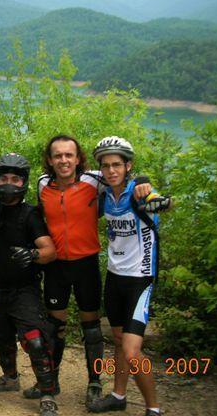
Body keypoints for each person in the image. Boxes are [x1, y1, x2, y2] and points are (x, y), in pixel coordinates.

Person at [35, 135, 152, 405]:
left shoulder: (94, 178)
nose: (63, 160)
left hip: (86, 264)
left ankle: (95, 382)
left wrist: (143, 180)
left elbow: (121, 176)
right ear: (50, 160)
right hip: (56, 266)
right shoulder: (43, 184)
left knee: (91, 327)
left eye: (69, 155)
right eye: (57, 156)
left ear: (78, 159)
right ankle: (49, 381)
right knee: (55, 326)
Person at [87, 137, 171, 416]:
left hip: (139, 280)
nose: (111, 170)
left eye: (117, 165)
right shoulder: (106, 195)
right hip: (114, 278)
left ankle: (153, 408)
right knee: (120, 342)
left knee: (133, 351)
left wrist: (156, 200)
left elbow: (161, 202)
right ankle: (118, 395)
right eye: (106, 166)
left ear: (128, 166)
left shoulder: (139, 191)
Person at [0, 153, 60, 416]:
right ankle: (10, 377)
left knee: (35, 341)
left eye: (15, 179)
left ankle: (48, 394)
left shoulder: (31, 215)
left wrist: (32, 254)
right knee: (2, 338)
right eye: (3, 177)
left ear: (23, 182)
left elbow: (50, 250)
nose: (8, 183)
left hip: (25, 289)